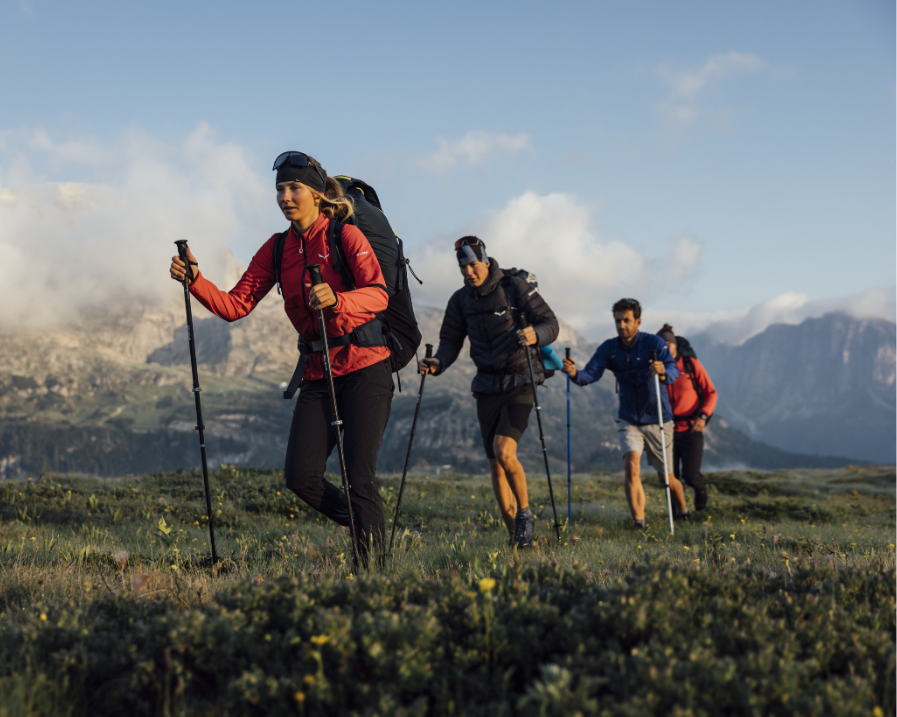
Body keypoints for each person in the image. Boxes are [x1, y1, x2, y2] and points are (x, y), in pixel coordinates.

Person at [169, 151, 393, 564]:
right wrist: (196, 280)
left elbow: (378, 294)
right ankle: (367, 524)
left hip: (365, 367)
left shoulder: (345, 236)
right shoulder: (276, 249)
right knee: (301, 477)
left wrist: (338, 300)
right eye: (280, 189)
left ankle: (375, 571)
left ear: (316, 194)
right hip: (317, 373)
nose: (285, 197)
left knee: (359, 477)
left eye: (294, 188)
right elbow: (235, 305)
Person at [419, 237, 559, 547]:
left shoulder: (514, 287)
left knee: (504, 450)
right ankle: (516, 539)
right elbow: (451, 341)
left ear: (485, 261)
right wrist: (438, 362)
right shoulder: (460, 300)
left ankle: (524, 515)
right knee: (495, 463)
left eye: (472, 265)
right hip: (486, 385)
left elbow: (550, 323)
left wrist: (536, 334)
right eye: (462, 267)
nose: (468, 272)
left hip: (520, 379)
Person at [561, 298, 689, 528]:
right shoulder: (609, 348)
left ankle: (683, 509)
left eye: (627, 320)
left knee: (667, 478)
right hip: (628, 419)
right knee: (631, 466)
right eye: (618, 321)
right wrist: (573, 374)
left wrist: (662, 371)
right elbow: (590, 374)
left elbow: (672, 369)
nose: (622, 325)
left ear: (638, 321)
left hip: (658, 419)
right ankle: (638, 523)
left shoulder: (653, 343)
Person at [656, 324, 718, 511]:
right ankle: (677, 513)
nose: (665, 348)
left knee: (690, 476)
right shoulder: (656, 369)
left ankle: (700, 487)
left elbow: (711, 393)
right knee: (670, 477)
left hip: (692, 430)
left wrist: (704, 416)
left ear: (675, 345)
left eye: (668, 344)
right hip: (668, 431)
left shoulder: (691, 365)